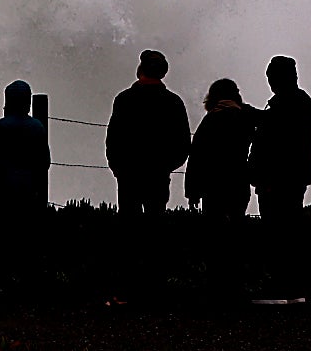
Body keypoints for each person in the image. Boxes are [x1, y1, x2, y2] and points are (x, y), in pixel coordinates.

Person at [104, 49, 189, 298]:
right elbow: (183, 142)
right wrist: (167, 165)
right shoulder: (173, 102)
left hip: (129, 174)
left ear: (140, 70)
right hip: (157, 175)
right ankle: (155, 289)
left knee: (128, 229)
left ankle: (127, 288)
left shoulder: (125, 99)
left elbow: (114, 138)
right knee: (155, 229)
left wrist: (118, 166)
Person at [251, 56, 311, 299]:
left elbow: (277, 138)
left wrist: (264, 176)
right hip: (289, 178)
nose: (269, 82)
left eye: (271, 77)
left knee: (279, 232)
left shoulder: (287, 104)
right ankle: (290, 285)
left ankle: (282, 285)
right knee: (287, 230)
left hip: (278, 180)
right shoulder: (298, 102)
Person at [187, 77, 256, 299]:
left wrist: (192, 191)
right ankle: (236, 285)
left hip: (212, 185)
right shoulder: (244, 118)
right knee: (236, 231)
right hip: (238, 182)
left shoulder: (210, 121)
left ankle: (216, 287)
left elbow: (196, 157)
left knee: (214, 236)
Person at [0, 80, 50, 296]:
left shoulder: (0, 127)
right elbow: (44, 161)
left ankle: (0, 282)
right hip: (30, 191)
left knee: (2, 236)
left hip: (3, 191)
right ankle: (29, 283)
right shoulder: (37, 127)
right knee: (28, 237)